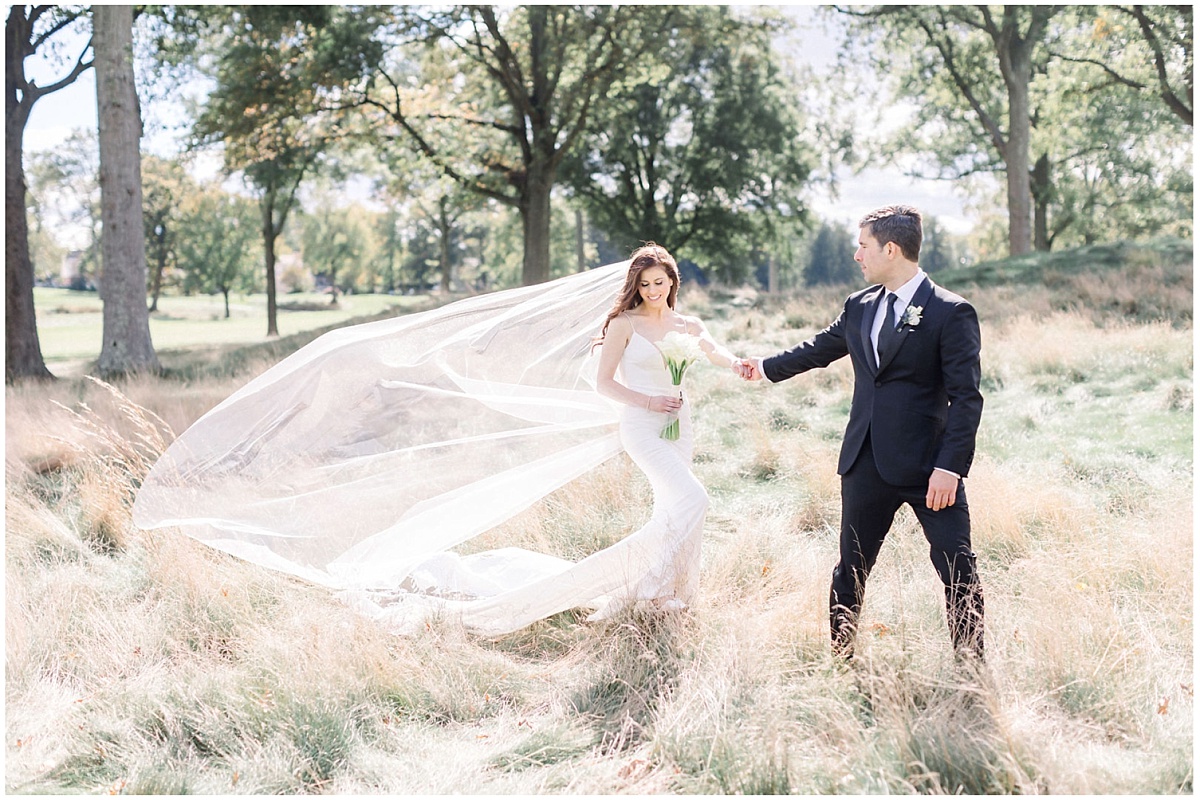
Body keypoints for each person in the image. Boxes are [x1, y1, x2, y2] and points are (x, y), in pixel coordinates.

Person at [736, 205, 985, 660]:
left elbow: (966, 398)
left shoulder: (951, 312)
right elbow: (818, 349)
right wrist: (765, 367)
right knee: (851, 568)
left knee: (958, 570)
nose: (857, 255)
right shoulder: (860, 306)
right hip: (865, 462)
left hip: (930, 469)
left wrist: (949, 467)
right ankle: (841, 659)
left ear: (891, 249)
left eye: (863, 245)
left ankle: (971, 669)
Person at [591, 243, 744, 612]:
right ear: (636, 287)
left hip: (679, 422)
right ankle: (647, 590)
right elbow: (604, 383)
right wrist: (648, 401)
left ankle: (672, 592)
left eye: (659, 282)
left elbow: (713, 350)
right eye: (644, 285)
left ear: (672, 281)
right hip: (642, 425)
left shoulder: (686, 324)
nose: (652, 291)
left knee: (673, 505)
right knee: (694, 498)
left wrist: (738, 363)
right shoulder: (624, 324)